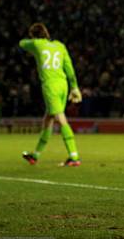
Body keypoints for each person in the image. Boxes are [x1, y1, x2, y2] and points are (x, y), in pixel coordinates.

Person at [19, 23, 82, 167]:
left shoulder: (37, 44)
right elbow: (69, 68)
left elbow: (21, 43)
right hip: (63, 84)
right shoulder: (60, 46)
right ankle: (35, 156)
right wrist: (75, 88)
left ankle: (74, 156)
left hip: (50, 86)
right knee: (48, 119)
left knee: (60, 118)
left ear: (34, 35)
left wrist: (33, 41)